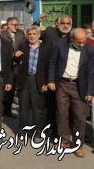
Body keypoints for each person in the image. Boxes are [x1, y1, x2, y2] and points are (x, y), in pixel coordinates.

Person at [48, 28, 94, 158]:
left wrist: (90, 91)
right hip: (62, 83)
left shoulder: (90, 50)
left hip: (79, 86)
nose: (82, 45)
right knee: (62, 113)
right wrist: (51, 80)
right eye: (79, 42)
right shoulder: (60, 44)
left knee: (79, 117)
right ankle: (64, 140)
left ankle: (78, 145)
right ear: (71, 39)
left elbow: (91, 72)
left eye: (84, 42)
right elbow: (53, 62)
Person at [14, 26, 52, 136]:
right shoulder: (23, 46)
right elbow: (16, 63)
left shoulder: (46, 48)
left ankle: (39, 132)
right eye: (29, 34)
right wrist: (16, 57)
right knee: (24, 107)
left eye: (34, 34)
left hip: (39, 81)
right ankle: (23, 130)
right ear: (27, 36)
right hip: (25, 80)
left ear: (39, 35)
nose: (32, 36)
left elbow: (50, 67)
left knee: (38, 108)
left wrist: (47, 83)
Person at [1, 16, 26, 118]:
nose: (16, 26)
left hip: (16, 66)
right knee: (3, 90)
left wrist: (20, 54)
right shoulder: (2, 34)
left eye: (17, 24)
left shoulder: (20, 34)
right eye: (14, 25)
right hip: (5, 66)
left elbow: (23, 46)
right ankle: (0, 111)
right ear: (8, 25)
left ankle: (8, 110)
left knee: (12, 90)